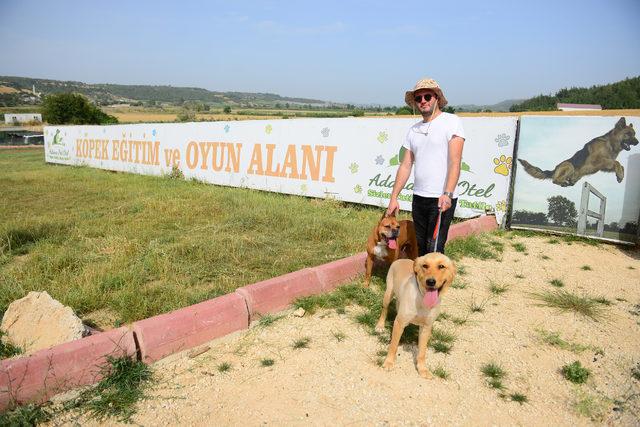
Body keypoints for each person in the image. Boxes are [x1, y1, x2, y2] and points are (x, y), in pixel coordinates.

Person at [386, 78, 465, 255]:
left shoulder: (452, 122)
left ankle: (437, 283)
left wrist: (448, 194)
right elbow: (406, 165)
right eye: (418, 98)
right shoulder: (413, 130)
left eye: (427, 96)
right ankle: (421, 283)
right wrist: (394, 197)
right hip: (419, 197)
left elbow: (455, 162)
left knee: (434, 247)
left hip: (441, 198)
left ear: (436, 98)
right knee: (420, 246)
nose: (423, 101)